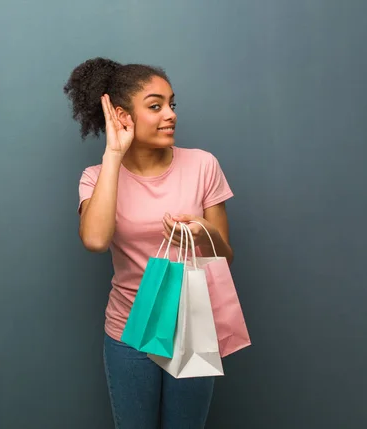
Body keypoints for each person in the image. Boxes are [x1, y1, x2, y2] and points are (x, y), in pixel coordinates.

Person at [63, 57, 235, 428]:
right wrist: (113, 154)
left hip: (191, 327)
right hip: (129, 333)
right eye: (155, 106)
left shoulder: (203, 165)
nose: (170, 114)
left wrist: (203, 230)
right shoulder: (96, 177)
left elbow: (226, 257)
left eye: (171, 104)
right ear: (123, 116)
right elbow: (94, 240)